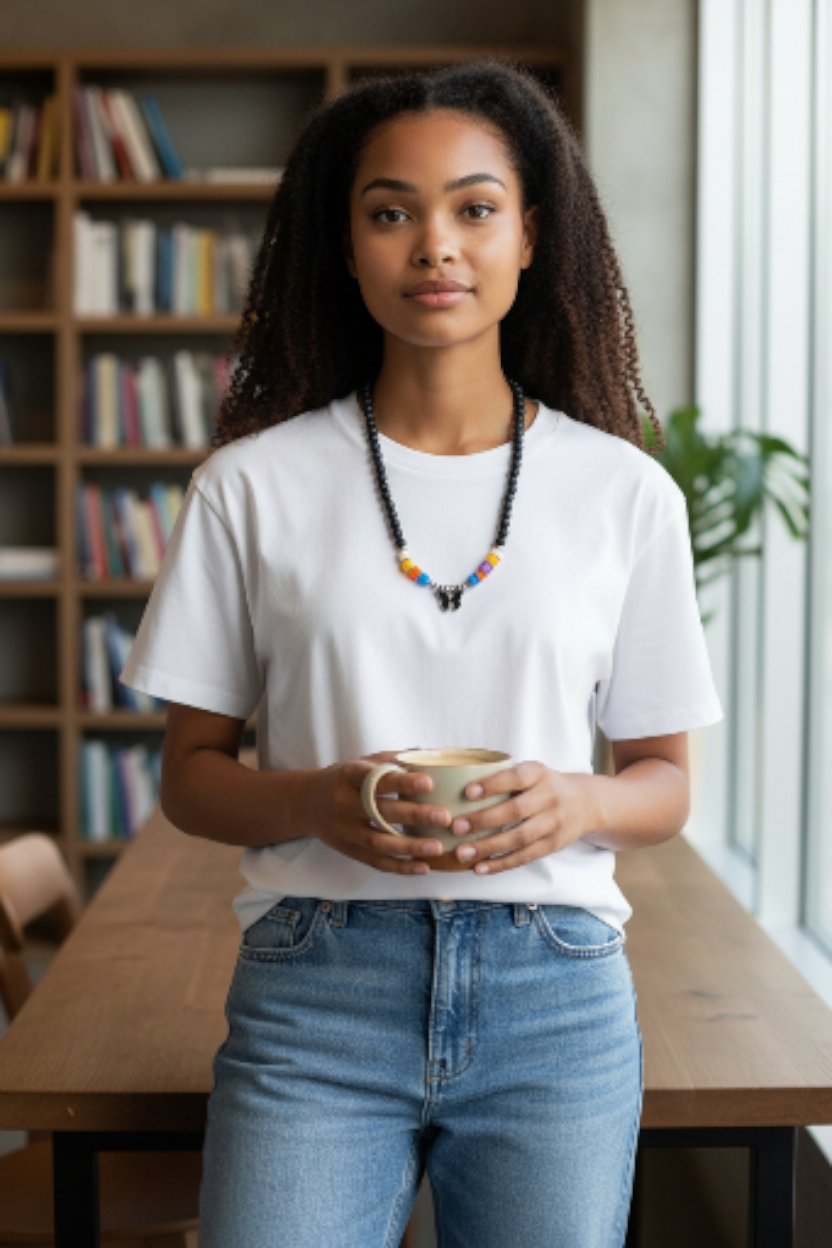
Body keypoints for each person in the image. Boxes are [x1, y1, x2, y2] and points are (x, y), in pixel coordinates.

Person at [119, 60, 722, 1248]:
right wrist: (311, 802)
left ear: (530, 235)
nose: (434, 245)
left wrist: (575, 803)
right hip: (316, 986)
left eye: (474, 208)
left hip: (555, 990)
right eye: (390, 212)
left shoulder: (624, 495)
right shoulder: (249, 486)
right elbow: (190, 777)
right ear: (346, 247)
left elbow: (662, 784)